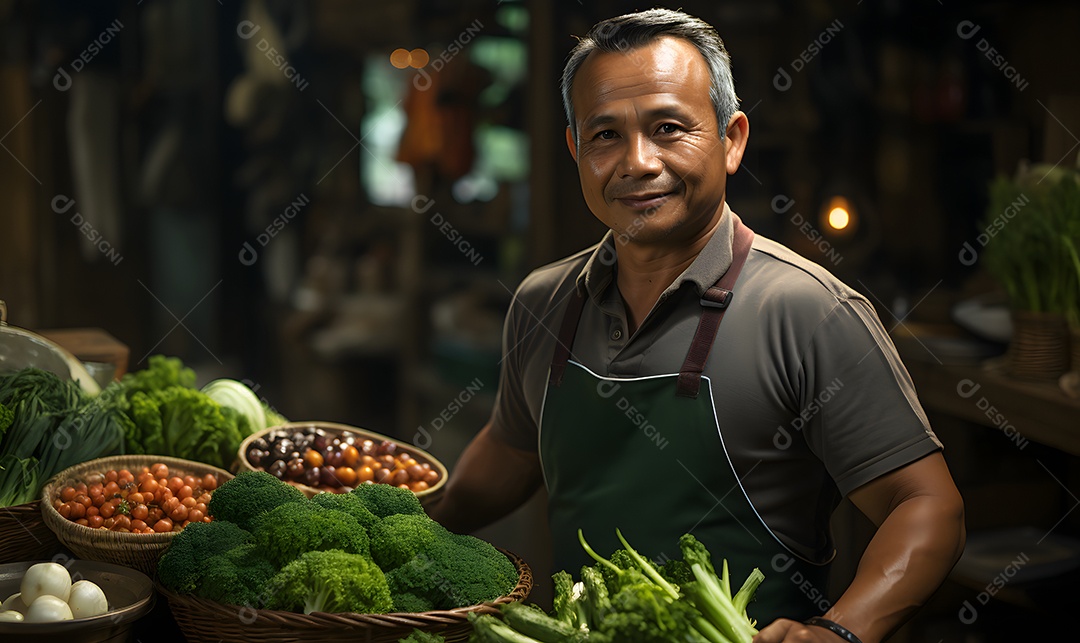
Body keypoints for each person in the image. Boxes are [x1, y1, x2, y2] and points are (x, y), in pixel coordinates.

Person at [426, 8, 965, 642]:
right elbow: (511, 449)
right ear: (575, 150)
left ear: (732, 140)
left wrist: (840, 631)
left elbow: (927, 505)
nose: (638, 162)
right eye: (605, 136)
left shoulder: (808, 312)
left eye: (668, 128)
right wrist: (405, 526)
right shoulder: (544, 301)